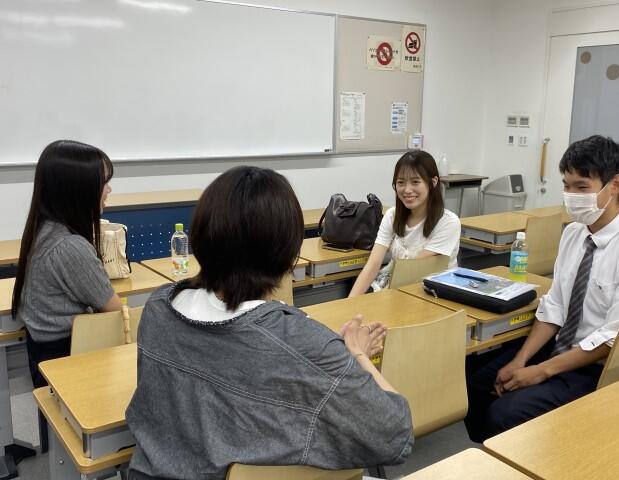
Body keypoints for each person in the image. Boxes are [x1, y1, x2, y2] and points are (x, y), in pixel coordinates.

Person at [125, 166, 413, 480]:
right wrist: (356, 354)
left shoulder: (158, 307)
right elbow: (396, 435)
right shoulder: (304, 344)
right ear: (288, 250)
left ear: (201, 234)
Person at [465, 135, 619, 443]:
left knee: (504, 413)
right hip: (558, 346)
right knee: (475, 382)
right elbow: (555, 306)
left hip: (596, 366)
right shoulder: (574, 233)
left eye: (581, 187)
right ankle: (497, 453)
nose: (571, 196)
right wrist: (521, 359)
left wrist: (541, 371)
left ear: (615, 184)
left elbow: (612, 338)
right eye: (566, 186)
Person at [12, 140, 122, 390]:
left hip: (46, 356)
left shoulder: (46, 230)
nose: (109, 190)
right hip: (68, 360)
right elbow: (115, 309)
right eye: (103, 183)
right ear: (78, 190)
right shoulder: (69, 246)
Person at [349, 150, 461, 296]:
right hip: (394, 288)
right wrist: (351, 302)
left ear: (433, 182)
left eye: (415, 182)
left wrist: (379, 301)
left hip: (432, 296)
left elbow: (410, 273)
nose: (407, 190)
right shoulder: (392, 215)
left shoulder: (448, 222)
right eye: (401, 182)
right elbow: (373, 264)